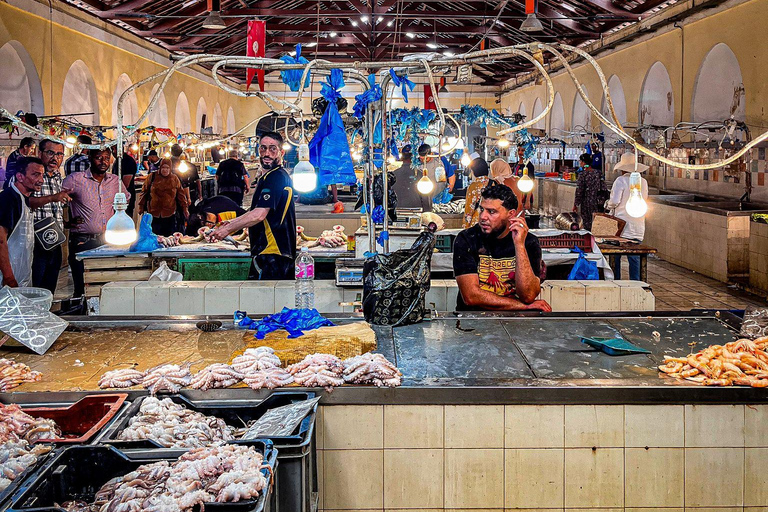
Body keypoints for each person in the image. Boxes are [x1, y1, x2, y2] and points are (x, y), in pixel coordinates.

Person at [210, 131, 296, 280]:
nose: (267, 153)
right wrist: (231, 223)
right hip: (269, 254)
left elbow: (259, 215)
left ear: (281, 152)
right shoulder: (270, 177)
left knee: (268, 302)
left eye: (272, 149)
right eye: (263, 148)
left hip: (273, 256)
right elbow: (256, 211)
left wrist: (227, 230)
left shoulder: (276, 177)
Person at [453, 184, 551, 312]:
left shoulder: (529, 242)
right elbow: (471, 297)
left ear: (511, 215)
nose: (483, 217)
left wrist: (519, 245)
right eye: (482, 209)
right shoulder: (466, 239)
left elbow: (528, 295)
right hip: (473, 320)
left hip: (514, 322)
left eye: (492, 212)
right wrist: (523, 306)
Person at [63, 148, 128, 298]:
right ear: (90, 158)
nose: (103, 161)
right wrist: (65, 222)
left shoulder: (115, 182)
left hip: (109, 241)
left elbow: (125, 201)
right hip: (83, 241)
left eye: (107, 158)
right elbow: (55, 199)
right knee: (82, 288)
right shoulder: (75, 179)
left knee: (107, 286)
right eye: (99, 157)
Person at [30, 140, 72, 293]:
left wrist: (67, 223)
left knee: (50, 287)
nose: (55, 158)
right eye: (50, 153)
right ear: (39, 153)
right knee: (35, 287)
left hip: (55, 241)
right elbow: (26, 203)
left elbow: (55, 210)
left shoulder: (58, 178)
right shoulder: (31, 176)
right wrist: (53, 198)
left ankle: (47, 315)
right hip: (35, 242)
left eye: (59, 154)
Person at [0, 157, 44, 287]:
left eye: (42, 175)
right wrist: (8, 277)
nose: (41, 180)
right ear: (20, 176)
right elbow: (1, 241)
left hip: (22, 274)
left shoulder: (25, 199)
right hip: (6, 278)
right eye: (35, 175)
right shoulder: (8, 198)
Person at [607, 152, 649, 280]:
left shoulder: (620, 180)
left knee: (615, 258)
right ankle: (636, 285)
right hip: (637, 226)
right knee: (635, 258)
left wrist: (608, 205)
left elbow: (614, 202)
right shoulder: (643, 181)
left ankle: (616, 283)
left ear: (622, 168)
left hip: (620, 227)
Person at [137, 158, 189, 236]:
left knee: (168, 237)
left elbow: (181, 195)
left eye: (167, 168)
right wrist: (141, 206)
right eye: (163, 167)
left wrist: (185, 209)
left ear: (170, 169)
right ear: (160, 167)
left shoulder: (174, 178)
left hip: (169, 213)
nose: (165, 170)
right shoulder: (152, 176)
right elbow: (144, 192)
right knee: (154, 236)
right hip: (153, 213)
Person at [573, 153, 606, 231]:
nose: (580, 163)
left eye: (580, 161)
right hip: (598, 202)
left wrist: (576, 204)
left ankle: (589, 237)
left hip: (587, 202)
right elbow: (603, 187)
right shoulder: (598, 173)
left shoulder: (583, 174)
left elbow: (579, 191)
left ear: (584, 162)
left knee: (587, 222)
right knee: (596, 221)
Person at [391, 146, 427, 210]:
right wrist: (428, 211)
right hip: (416, 210)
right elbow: (425, 197)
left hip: (396, 210)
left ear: (402, 158)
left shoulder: (393, 174)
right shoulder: (420, 174)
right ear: (413, 158)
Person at [463, 156, 490, 228]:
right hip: (491, 223)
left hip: (477, 224)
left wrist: (465, 227)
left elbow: (469, 210)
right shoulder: (494, 183)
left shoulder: (473, 186)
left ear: (474, 171)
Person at [112, 147, 137, 217]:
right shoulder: (117, 160)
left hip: (125, 198)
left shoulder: (128, 161)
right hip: (117, 198)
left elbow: (126, 184)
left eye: (114, 149)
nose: (113, 152)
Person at [513, 145, 535, 210]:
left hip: (525, 198)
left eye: (523, 151)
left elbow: (531, 183)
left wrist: (527, 200)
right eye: (519, 150)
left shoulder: (529, 166)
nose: (520, 152)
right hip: (517, 197)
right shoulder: (516, 164)